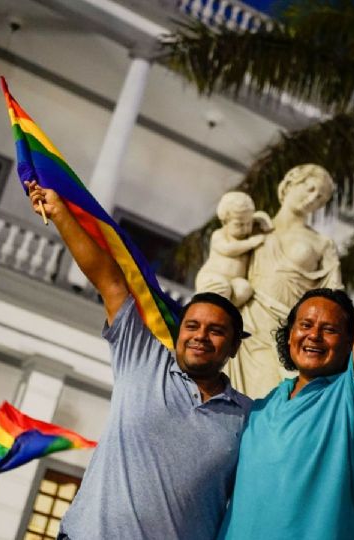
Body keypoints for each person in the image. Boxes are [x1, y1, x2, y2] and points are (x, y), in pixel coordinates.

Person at [25, 182, 253, 539]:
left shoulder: (250, 417)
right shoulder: (143, 359)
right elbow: (110, 281)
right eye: (192, 326)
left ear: (235, 346)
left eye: (216, 331)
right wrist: (59, 213)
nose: (200, 336)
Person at [218, 163, 354, 539]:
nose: (313, 335)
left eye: (329, 329)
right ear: (288, 336)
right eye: (304, 325)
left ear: (350, 343)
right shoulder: (262, 407)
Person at [229, 163, 343, 398]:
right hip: (245, 325)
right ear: (291, 182)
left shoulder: (322, 244)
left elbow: (335, 298)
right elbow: (224, 265)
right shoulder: (253, 227)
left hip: (283, 331)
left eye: (321, 198)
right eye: (310, 189)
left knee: (267, 397)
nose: (313, 199)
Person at [195, 191, 272, 307]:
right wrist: (250, 243)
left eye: (249, 223)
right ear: (225, 221)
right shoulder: (219, 235)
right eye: (239, 225)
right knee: (222, 287)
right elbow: (228, 249)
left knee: (245, 289)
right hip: (213, 278)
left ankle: (227, 311)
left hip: (234, 282)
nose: (245, 228)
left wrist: (262, 220)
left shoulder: (247, 236)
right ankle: (210, 309)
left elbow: (268, 226)